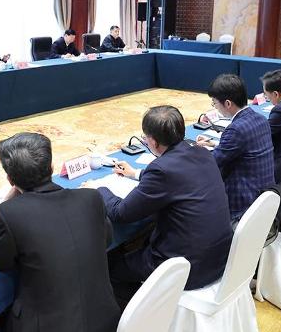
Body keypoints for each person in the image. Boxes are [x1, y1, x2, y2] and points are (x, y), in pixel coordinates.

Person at [0, 133, 120, 332]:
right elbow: (106, 240)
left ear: (10, 179)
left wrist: (8, 205)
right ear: (51, 167)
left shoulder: (9, 213)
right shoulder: (91, 198)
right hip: (103, 326)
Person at [98, 106, 232, 302]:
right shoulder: (202, 153)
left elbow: (121, 213)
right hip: (219, 258)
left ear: (153, 141)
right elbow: (178, 177)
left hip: (187, 268)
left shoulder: (161, 170)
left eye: (145, 138)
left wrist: (99, 189)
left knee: (109, 268)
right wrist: (135, 174)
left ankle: (143, 313)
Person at [196, 74, 275, 224]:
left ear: (227, 103)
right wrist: (214, 145)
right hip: (265, 201)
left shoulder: (236, 130)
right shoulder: (261, 119)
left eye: (214, 103)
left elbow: (212, 163)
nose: (214, 107)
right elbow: (240, 149)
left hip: (243, 209)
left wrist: (196, 151)